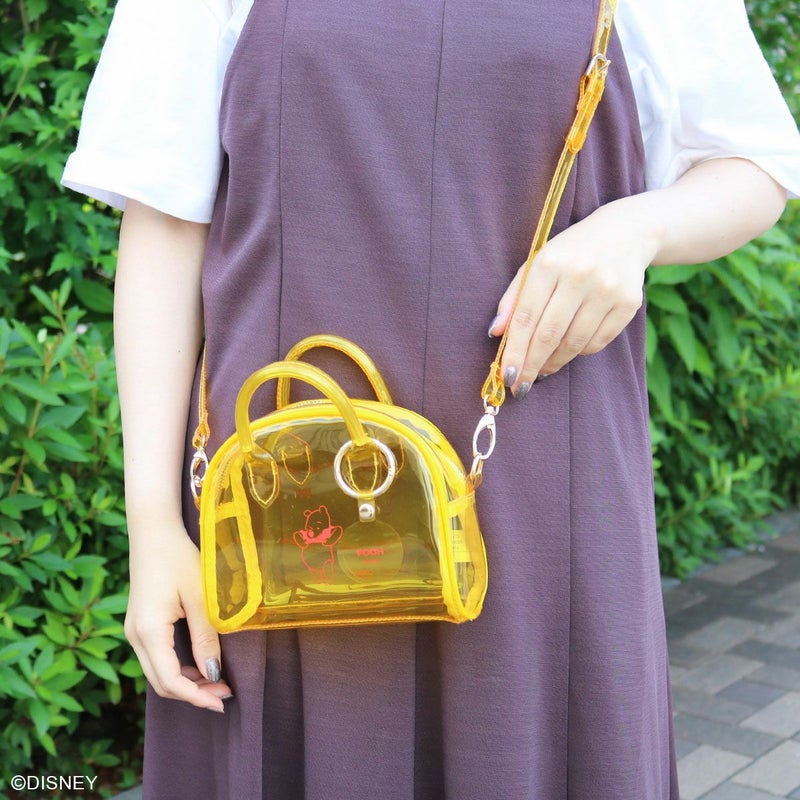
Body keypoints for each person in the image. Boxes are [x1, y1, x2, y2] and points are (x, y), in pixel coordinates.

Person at [63, 0, 800, 797]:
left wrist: (638, 228)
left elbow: (754, 163)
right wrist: (153, 528)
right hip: (279, 507)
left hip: (546, 496)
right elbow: (167, 220)